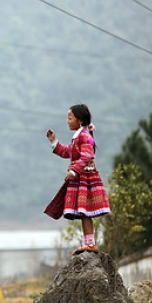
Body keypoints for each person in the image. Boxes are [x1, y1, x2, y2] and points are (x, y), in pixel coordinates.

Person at [45, 103, 110, 255]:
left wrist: (74, 171)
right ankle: (88, 243)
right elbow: (68, 152)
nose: (67, 121)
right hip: (80, 178)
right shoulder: (79, 137)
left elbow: (88, 156)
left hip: (85, 179)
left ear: (79, 120)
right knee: (83, 212)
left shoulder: (85, 136)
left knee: (85, 211)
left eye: (70, 118)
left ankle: (90, 244)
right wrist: (54, 142)